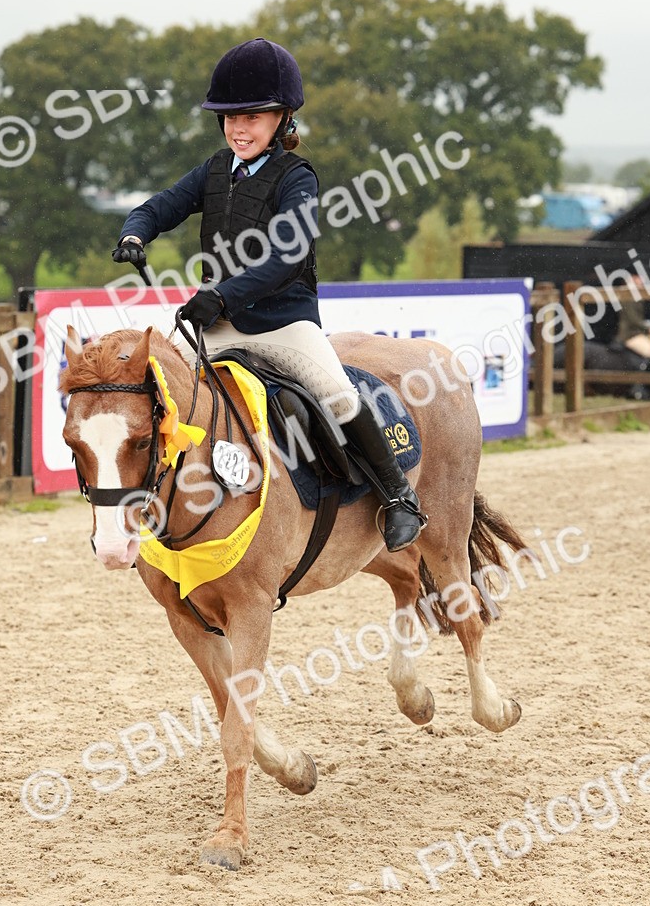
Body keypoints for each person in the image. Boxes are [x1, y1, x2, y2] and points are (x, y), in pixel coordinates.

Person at [112, 37, 425, 551]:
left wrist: (222, 296)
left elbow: (285, 256)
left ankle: (398, 498)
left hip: (284, 324)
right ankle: (156, 499)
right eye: (230, 117)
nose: (239, 129)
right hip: (217, 322)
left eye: (253, 117)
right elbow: (159, 206)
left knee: (339, 396)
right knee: (161, 392)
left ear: (282, 119)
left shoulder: (297, 178)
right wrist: (134, 234)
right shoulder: (214, 171)